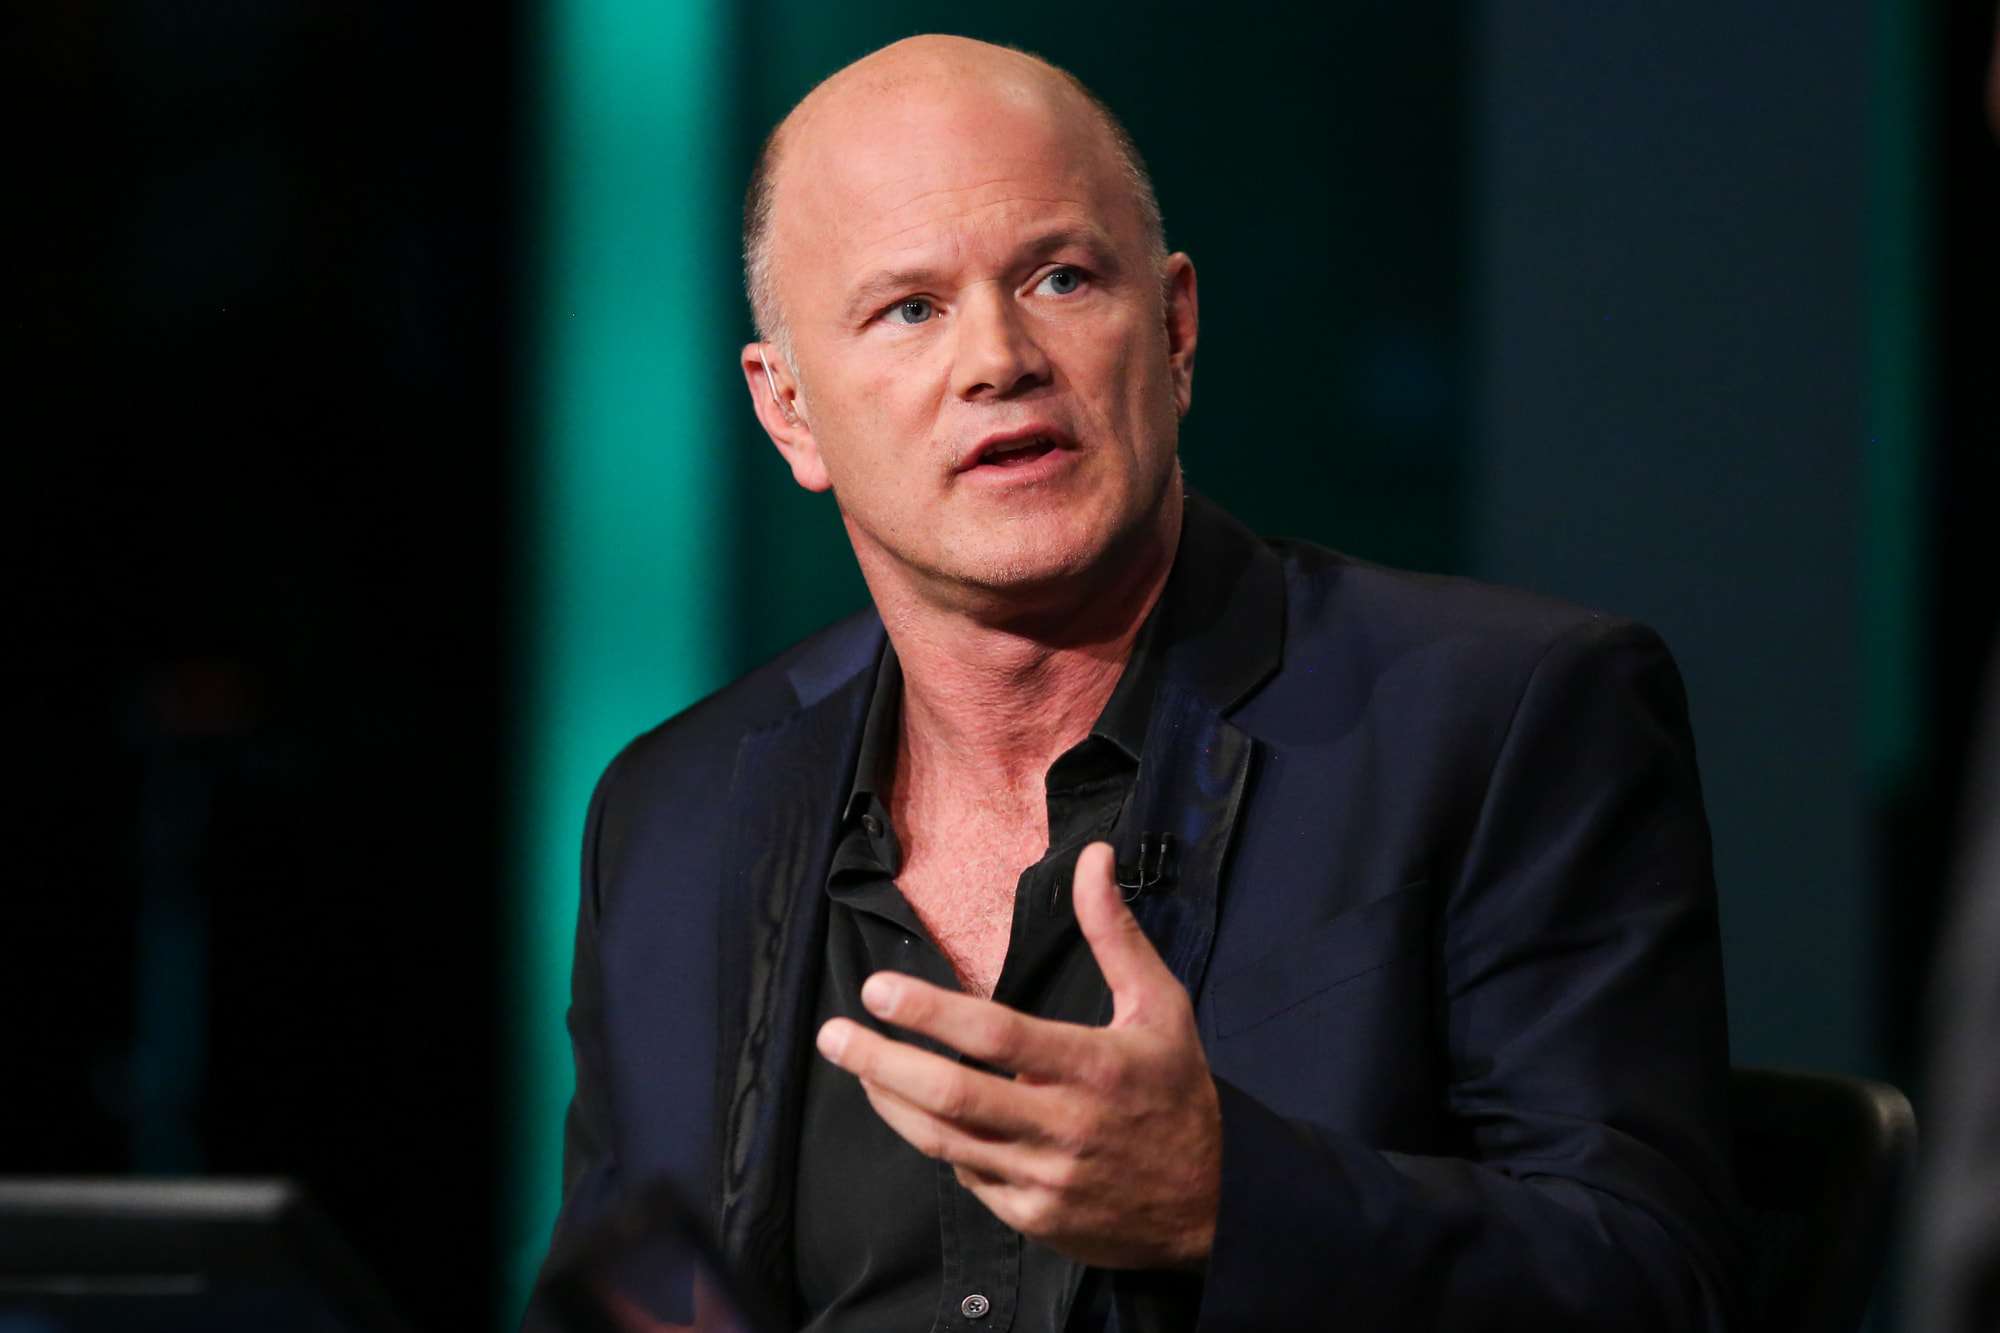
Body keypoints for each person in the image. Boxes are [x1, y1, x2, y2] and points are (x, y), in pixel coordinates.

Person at [527, 34, 1741, 1331]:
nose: (999, 357)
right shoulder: (676, 813)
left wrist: (1227, 1198)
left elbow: (1654, 1284)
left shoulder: (1506, 717)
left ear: (1174, 328)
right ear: (789, 413)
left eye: (1060, 278)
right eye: (911, 309)